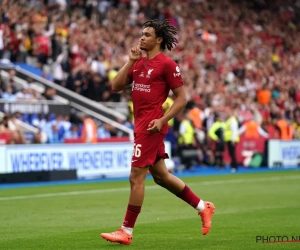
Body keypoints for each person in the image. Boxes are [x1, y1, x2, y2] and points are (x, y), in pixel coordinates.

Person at [100, 19, 215, 246]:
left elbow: (182, 98)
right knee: (161, 177)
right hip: (140, 126)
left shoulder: (167, 65)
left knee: (136, 177)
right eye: (142, 34)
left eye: (147, 35)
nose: (141, 38)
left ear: (158, 39)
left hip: (151, 127)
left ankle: (126, 230)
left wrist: (163, 119)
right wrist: (130, 61)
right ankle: (204, 207)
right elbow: (115, 86)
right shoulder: (139, 63)